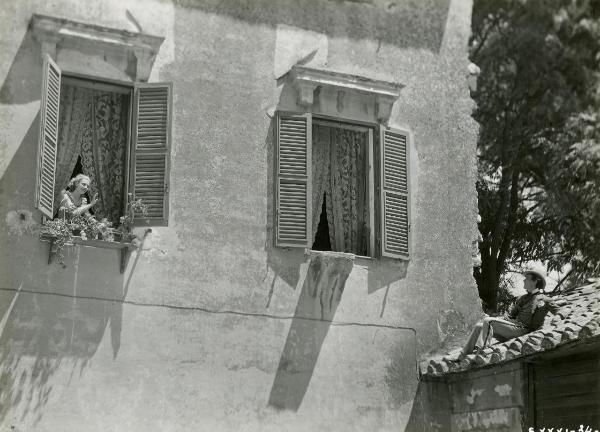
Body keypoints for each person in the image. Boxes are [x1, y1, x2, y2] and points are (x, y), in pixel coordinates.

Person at [448, 269, 559, 361]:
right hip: (514, 327)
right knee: (479, 326)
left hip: (524, 329)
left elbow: (559, 311)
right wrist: (496, 318)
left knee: (489, 321)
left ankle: (481, 353)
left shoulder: (544, 299)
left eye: (527, 278)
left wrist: (556, 320)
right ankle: (462, 356)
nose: (524, 280)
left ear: (536, 281)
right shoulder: (522, 298)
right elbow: (510, 317)